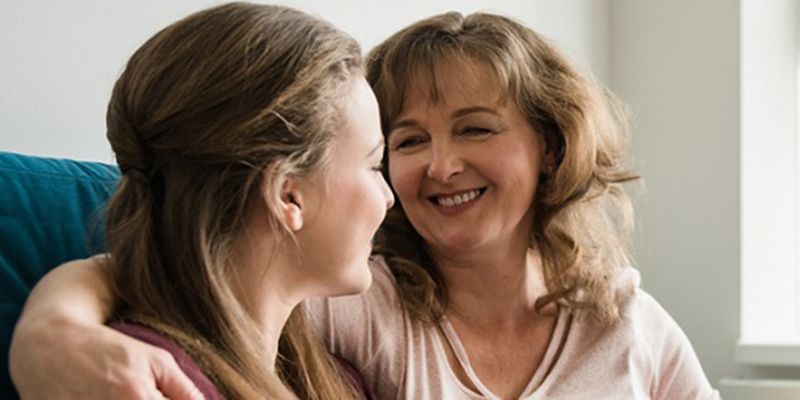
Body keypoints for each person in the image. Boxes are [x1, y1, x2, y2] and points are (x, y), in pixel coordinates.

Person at [9, 10, 720, 400]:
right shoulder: (356, 304)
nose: (439, 166)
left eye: (475, 127)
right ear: (290, 195)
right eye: (399, 147)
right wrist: (51, 329)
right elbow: (174, 264)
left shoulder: (629, 323)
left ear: (552, 146)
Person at [9, 2, 393, 399]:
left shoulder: (339, 379)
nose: (388, 197)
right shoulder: (135, 382)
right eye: (374, 165)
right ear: (287, 195)